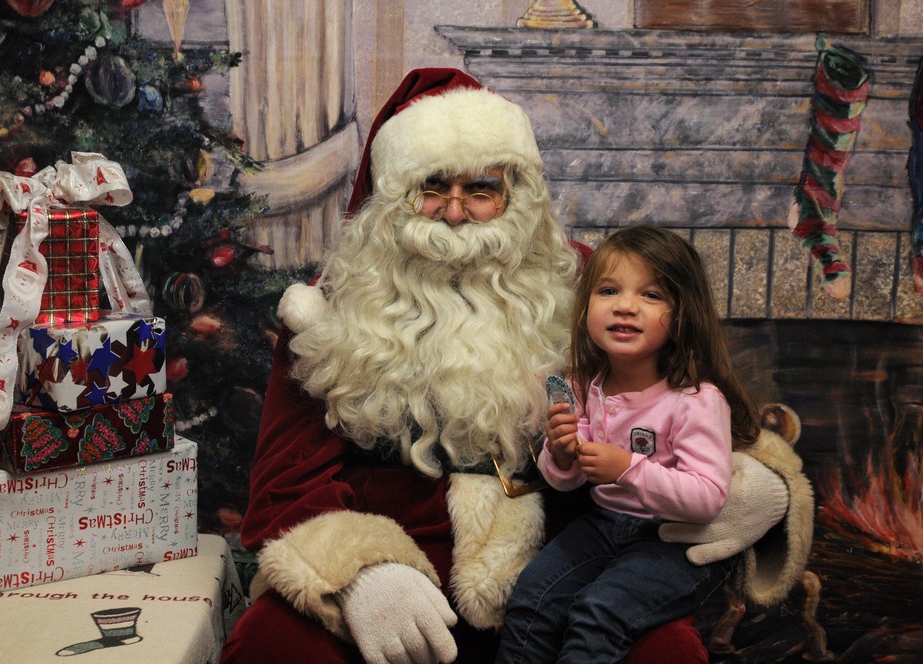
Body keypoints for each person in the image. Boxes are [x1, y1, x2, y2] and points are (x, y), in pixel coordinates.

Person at [220, 69, 798, 664]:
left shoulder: (583, 281)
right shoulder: (336, 301)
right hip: (400, 565)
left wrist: (760, 487)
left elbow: (687, 393)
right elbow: (285, 483)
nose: (454, 214)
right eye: (430, 187)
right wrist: (358, 573)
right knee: (271, 645)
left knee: (665, 654)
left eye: (481, 189)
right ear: (393, 195)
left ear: (515, 193)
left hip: (559, 561)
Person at [496, 225, 756, 663]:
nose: (625, 306)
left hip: (677, 540)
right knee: (532, 598)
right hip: (602, 524)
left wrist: (627, 468)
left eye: (651, 295)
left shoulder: (696, 400)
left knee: (599, 612)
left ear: (683, 313)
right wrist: (561, 453)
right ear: (586, 308)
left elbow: (707, 499)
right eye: (609, 290)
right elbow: (564, 481)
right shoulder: (582, 385)